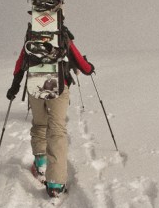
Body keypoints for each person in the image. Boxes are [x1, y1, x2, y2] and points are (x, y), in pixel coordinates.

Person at [6, 23, 94, 197]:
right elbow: (80, 62)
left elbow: (21, 62)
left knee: (39, 125)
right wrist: (89, 68)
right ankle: (55, 183)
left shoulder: (32, 34)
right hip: (59, 86)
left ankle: (41, 165)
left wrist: (15, 86)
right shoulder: (61, 33)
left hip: (35, 85)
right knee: (57, 131)